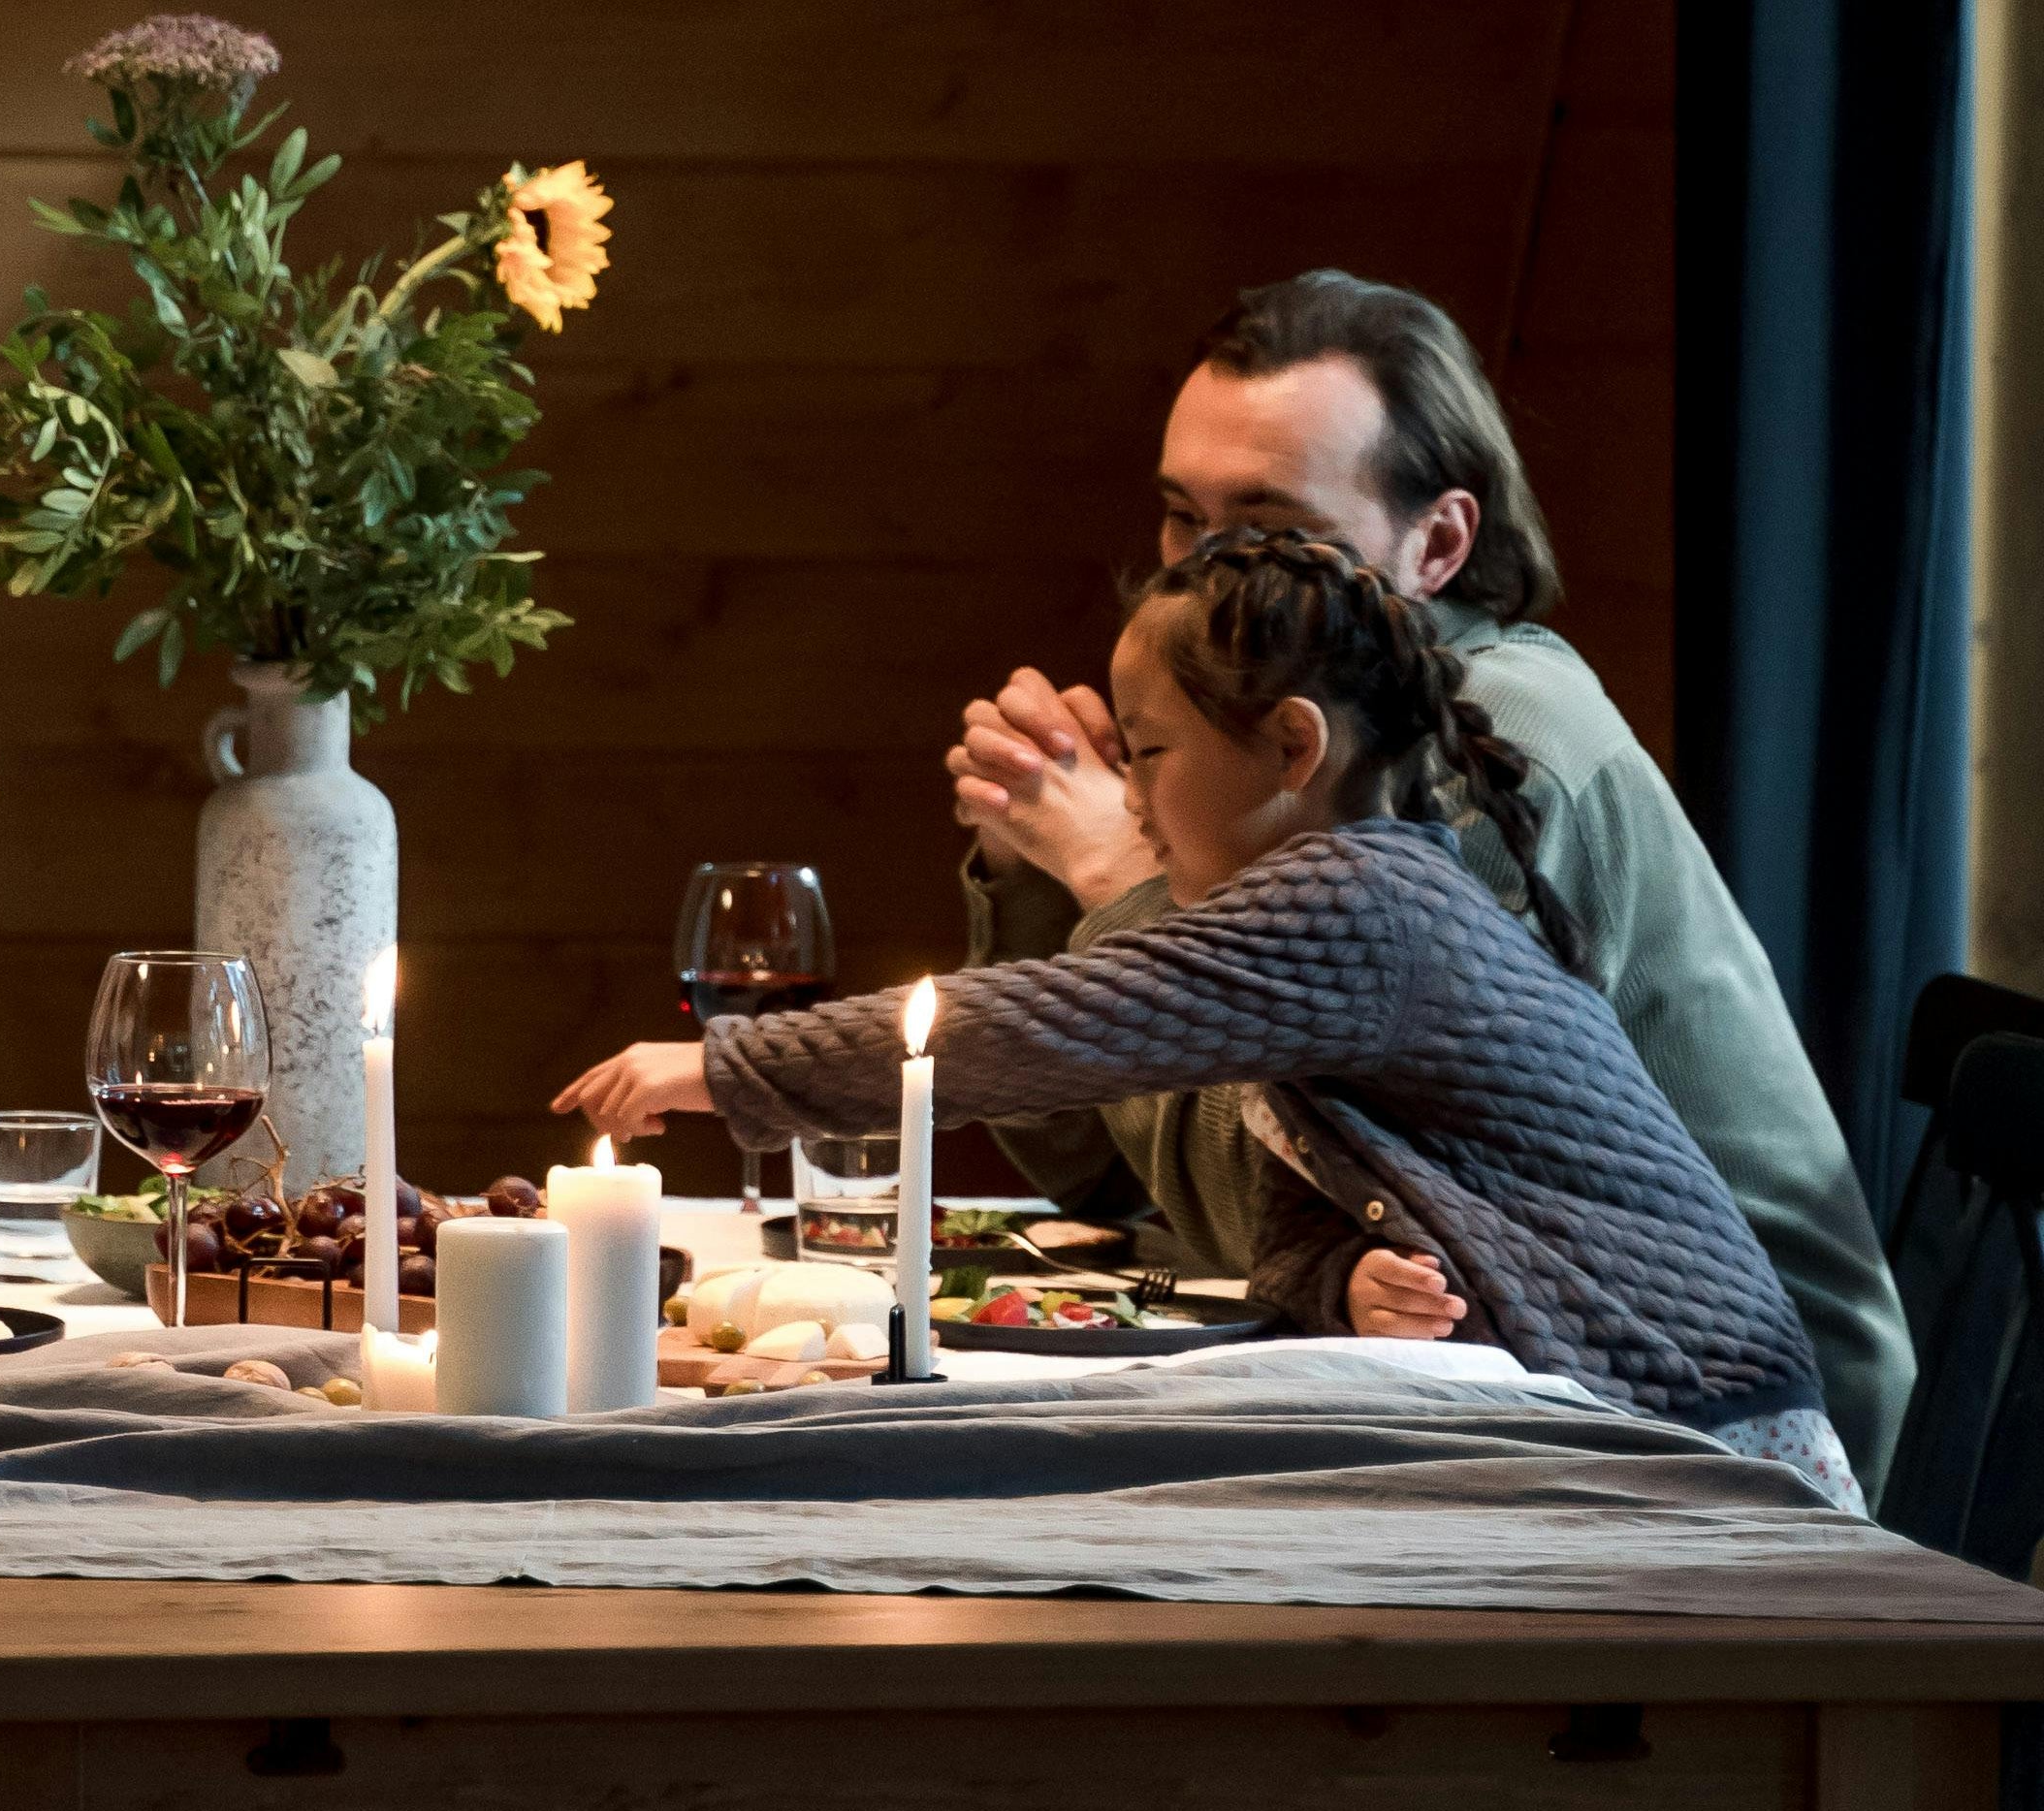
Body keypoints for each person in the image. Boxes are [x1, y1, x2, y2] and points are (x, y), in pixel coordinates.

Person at [559, 530, 1864, 1509]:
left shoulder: (1359, 899)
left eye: (1151, 754)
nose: (1129, 795)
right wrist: (1345, 1279)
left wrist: (724, 1069)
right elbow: (1307, 1212)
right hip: (1628, 1423)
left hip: (1703, 1446)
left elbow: (1045, 1024)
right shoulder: (1334, 926)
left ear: (1292, 750)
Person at [948, 270, 1908, 1492]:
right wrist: (1036, 860)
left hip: (1710, 1437)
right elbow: (1095, 1171)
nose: (1199, 572)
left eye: (1265, 523)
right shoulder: (1264, 731)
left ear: (1438, 542)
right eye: (1181, 519)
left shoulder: (1480, 749)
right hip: (1477, 1383)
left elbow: (1319, 1208)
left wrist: (1110, 871)